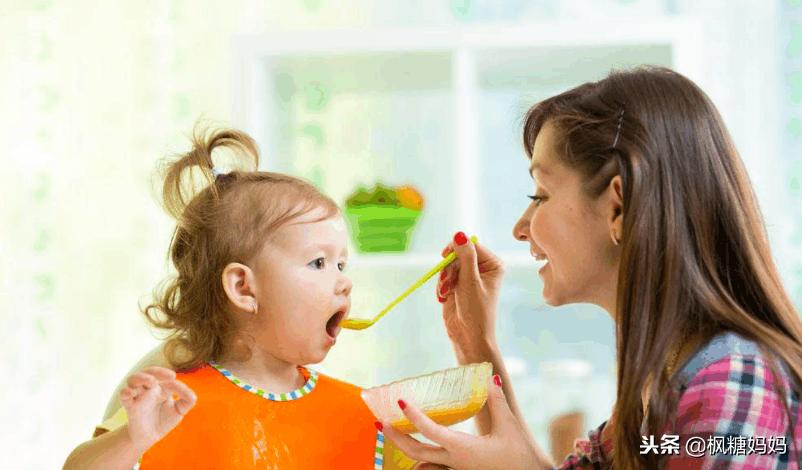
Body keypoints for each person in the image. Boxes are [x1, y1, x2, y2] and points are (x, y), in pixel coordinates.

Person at [380, 66, 802, 469]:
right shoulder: (655, 392)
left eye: (540, 195)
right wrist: (476, 345)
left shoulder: (728, 390)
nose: (520, 229)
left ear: (618, 207)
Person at [63, 126, 395, 469]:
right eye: (319, 263)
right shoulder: (171, 404)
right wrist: (132, 438)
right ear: (243, 287)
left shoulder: (360, 411)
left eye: (342, 264)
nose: (344, 282)